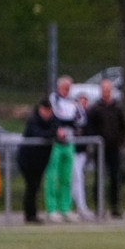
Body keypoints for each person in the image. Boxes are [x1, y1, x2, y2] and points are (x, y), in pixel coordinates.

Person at [45, 75, 86, 223]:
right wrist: (67, 124)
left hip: (69, 142)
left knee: (66, 178)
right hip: (56, 144)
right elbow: (57, 116)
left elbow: (81, 118)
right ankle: (51, 208)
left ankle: (65, 208)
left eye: (69, 88)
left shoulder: (72, 101)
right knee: (52, 177)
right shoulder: (54, 99)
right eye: (64, 87)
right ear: (59, 87)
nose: (67, 90)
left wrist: (71, 123)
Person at [86, 78, 125, 218]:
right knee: (99, 178)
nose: (106, 92)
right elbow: (90, 127)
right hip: (100, 148)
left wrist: (120, 140)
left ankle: (115, 206)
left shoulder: (117, 107)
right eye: (104, 89)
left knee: (115, 178)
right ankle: (99, 207)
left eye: (108, 89)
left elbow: (123, 126)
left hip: (114, 148)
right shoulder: (95, 109)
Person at [17, 98, 57, 224]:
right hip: (28, 161)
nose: (48, 113)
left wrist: (53, 133)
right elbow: (39, 134)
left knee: (35, 187)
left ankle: (32, 214)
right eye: (46, 110)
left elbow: (56, 130)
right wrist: (52, 134)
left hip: (40, 162)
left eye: (49, 111)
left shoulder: (52, 121)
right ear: (41, 109)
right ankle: (30, 215)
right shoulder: (33, 120)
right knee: (32, 186)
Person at [70, 93, 94, 221]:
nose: (83, 105)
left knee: (77, 178)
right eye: (81, 102)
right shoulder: (72, 115)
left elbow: (89, 131)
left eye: (85, 102)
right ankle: (80, 206)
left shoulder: (87, 116)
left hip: (82, 153)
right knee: (77, 178)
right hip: (72, 151)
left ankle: (76, 206)